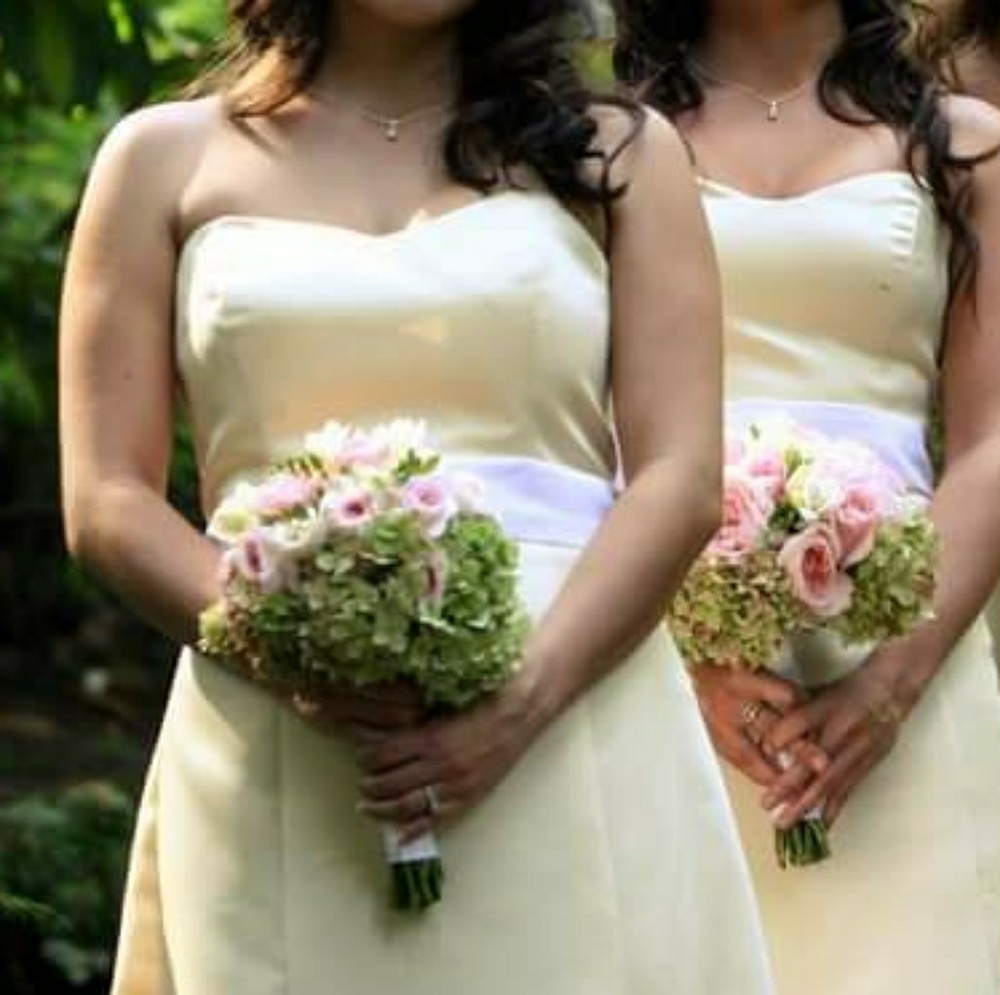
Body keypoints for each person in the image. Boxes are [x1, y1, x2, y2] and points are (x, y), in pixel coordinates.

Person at [58, 1, 775, 992]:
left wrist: (518, 708)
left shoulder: (618, 152)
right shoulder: (160, 158)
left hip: (571, 708)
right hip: (278, 722)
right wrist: (290, 658)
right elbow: (106, 498)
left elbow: (679, 476)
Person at [614, 1, 1000, 993]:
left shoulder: (964, 146)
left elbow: (992, 439)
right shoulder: (599, 147)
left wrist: (890, 687)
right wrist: (685, 653)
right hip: (657, 675)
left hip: (910, 651)